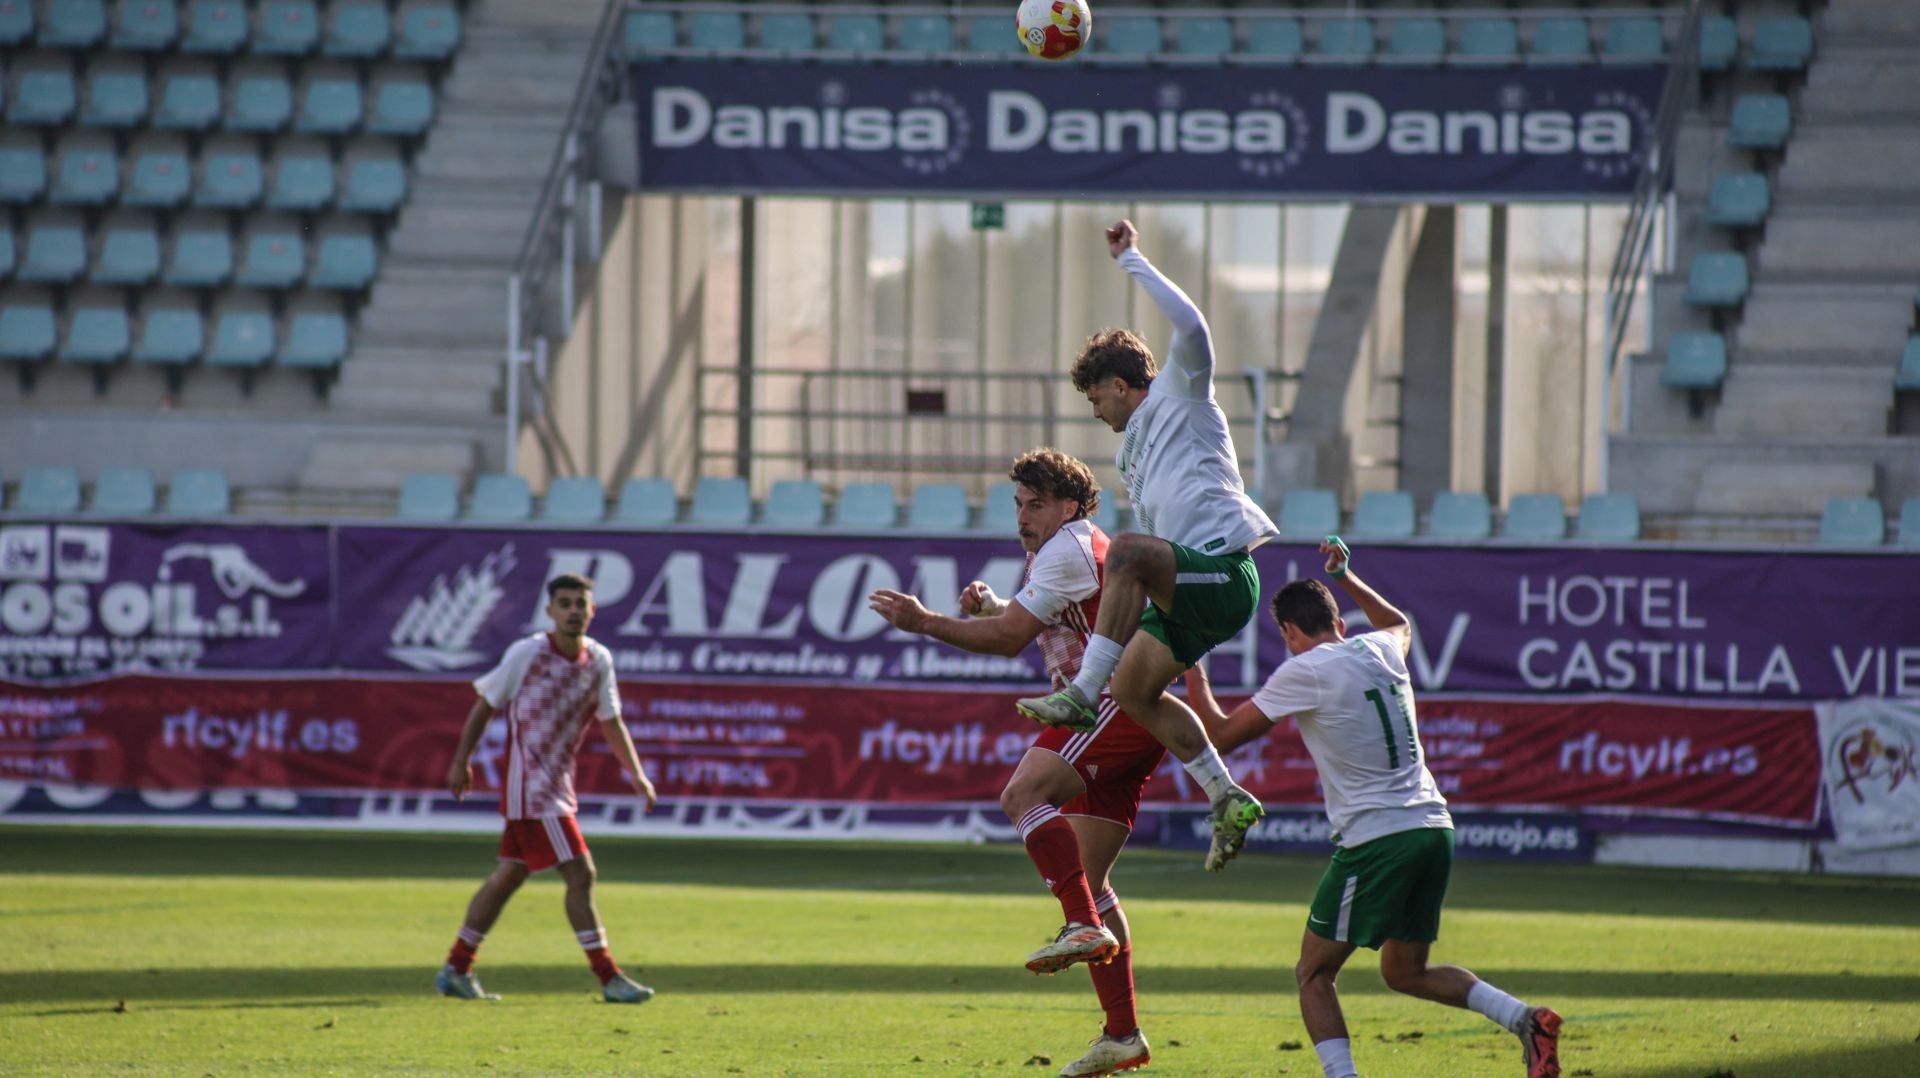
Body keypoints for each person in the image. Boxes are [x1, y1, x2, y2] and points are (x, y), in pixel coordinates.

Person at [1184, 538, 1563, 1078]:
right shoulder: (1380, 648)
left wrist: (1192, 667)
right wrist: (1346, 574)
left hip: (1377, 839)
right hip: (1433, 827)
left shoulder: (1306, 669)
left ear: (1290, 632)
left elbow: (1220, 735)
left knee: (1314, 973)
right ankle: (1526, 1020)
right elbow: (1401, 622)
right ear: (1338, 619)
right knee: (1405, 971)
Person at [869, 448, 1160, 1078]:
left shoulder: (1068, 547)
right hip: (1123, 710)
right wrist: (996, 604)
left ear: (1072, 506)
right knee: (1091, 878)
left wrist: (925, 623)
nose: (1023, 517)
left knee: (1021, 795)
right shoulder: (1066, 548)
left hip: (1108, 705)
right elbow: (1029, 621)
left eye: (1036, 504)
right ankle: (1123, 1034)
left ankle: (1080, 926)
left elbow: (1009, 643)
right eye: (1019, 505)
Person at [1017, 219, 1278, 873]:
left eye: (1095, 394)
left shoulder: (1181, 393)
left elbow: (1193, 327)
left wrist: (1131, 259)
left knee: (1128, 552)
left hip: (1223, 568)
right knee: (1134, 692)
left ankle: (1080, 693)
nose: (1094, 409)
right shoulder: (1133, 450)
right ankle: (1227, 797)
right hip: (1185, 590)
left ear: (1124, 382)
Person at [435, 573, 660, 1005]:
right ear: (550, 611)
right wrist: (461, 760)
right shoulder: (528, 653)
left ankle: (456, 967)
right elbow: (486, 704)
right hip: (534, 789)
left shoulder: (598, 659)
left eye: (581, 603)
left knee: (509, 876)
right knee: (580, 873)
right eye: (565, 603)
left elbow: (611, 720)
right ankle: (609, 976)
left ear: (593, 610)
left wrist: (636, 772)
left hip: (556, 784)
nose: (574, 610)